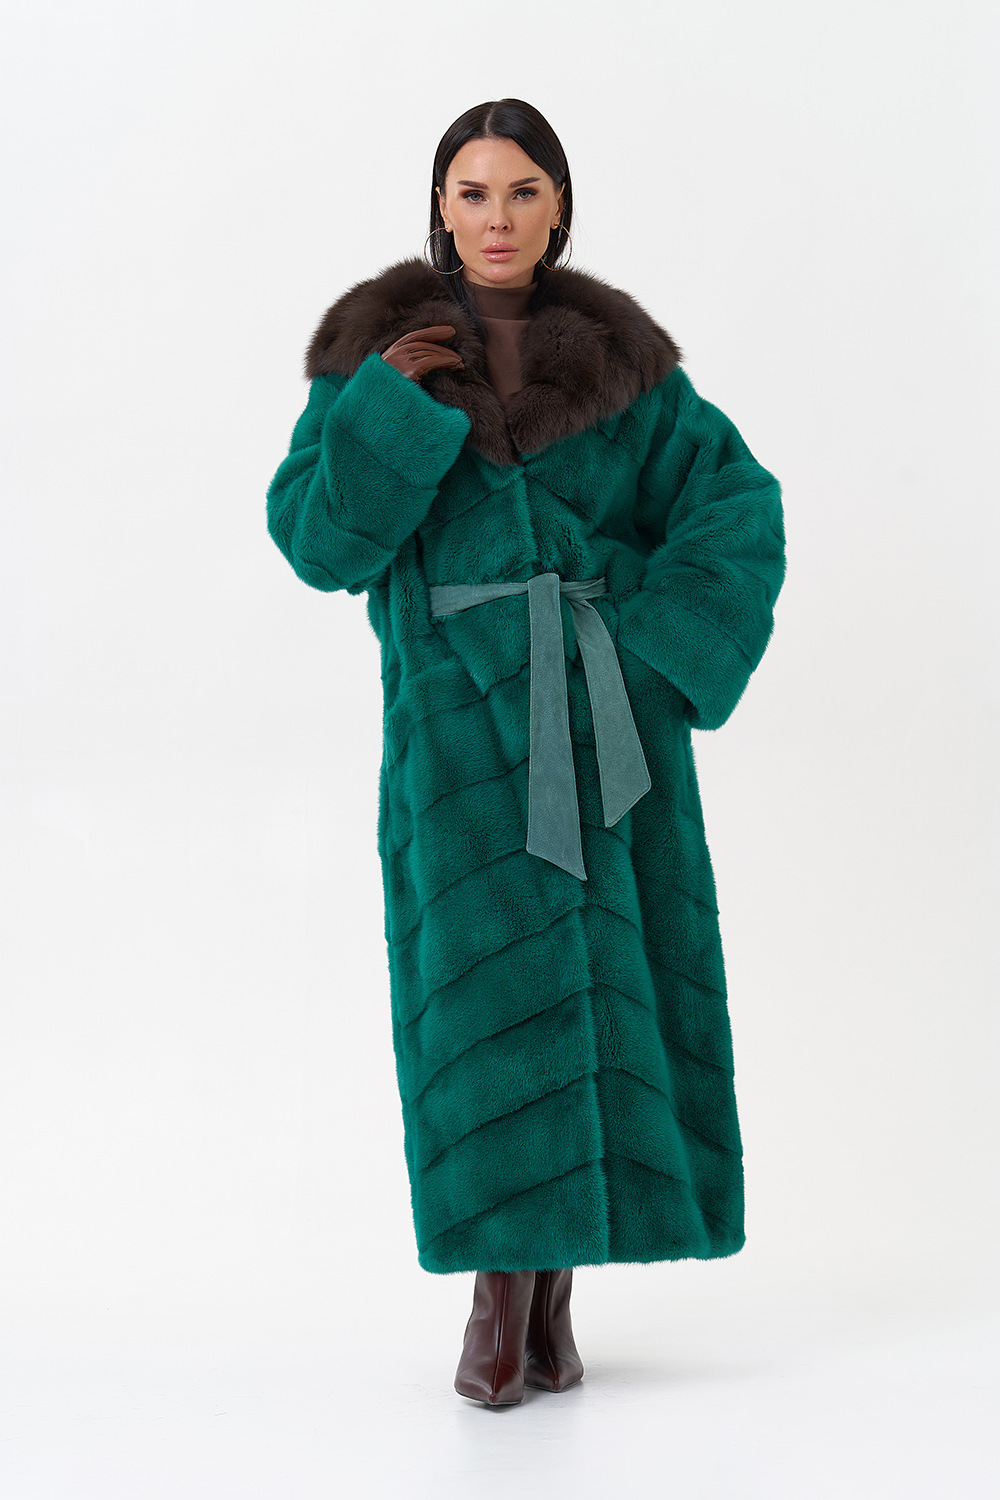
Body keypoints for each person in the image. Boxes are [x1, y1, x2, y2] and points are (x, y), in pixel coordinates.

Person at [266, 98, 786, 1407]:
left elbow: (736, 504)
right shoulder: (373, 361)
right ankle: (498, 1304)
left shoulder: (626, 367)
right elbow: (319, 546)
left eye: (522, 191)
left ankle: (547, 1308)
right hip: (455, 736)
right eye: (472, 191)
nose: (496, 218)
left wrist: (656, 661)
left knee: (601, 994)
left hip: (605, 721)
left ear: (559, 206)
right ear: (439, 208)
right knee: (483, 1007)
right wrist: (383, 413)